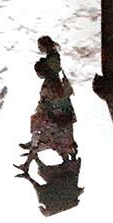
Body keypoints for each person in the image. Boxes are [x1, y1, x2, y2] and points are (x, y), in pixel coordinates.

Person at [19, 36, 79, 184]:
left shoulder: (50, 75)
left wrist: (41, 110)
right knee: (61, 136)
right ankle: (30, 161)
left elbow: (46, 101)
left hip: (52, 113)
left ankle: (29, 161)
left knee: (39, 132)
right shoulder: (53, 62)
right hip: (60, 109)